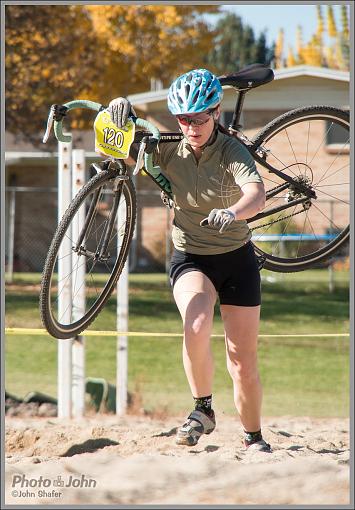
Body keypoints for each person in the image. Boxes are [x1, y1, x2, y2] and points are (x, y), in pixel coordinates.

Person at [108, 68, 271, 452]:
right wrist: (116, 111)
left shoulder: (232, 149)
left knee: (242, 362)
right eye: (184, 118)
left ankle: (253, 437)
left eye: (199, 117)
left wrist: (233, 213)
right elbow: (116, 148)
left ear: (216, 112)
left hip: (237, 258)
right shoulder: (166, 145)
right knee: (195, 322)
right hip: (191, 256)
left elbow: (257, 193)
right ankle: (203, 409)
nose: (191, 126)